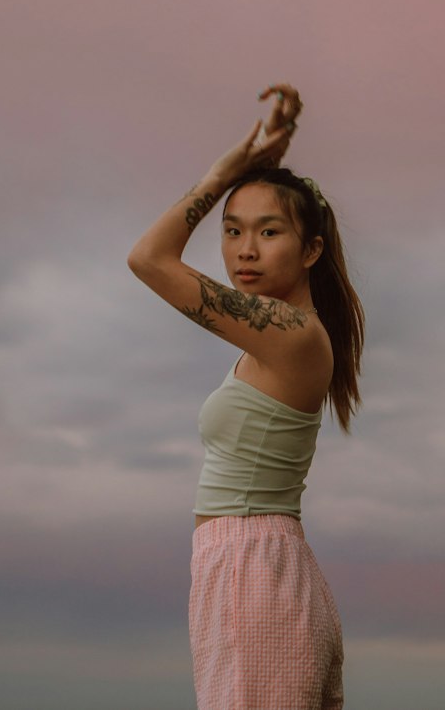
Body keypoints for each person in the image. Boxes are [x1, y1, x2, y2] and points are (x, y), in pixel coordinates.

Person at [127, 82, 365, 710]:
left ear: (311, 249)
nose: (244, 250)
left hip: (252, 572)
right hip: (252, 568)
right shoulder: (280, 338)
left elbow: (149, 258)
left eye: (268, 232)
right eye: (232, 231)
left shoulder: (290, 334)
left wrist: (224, 171)